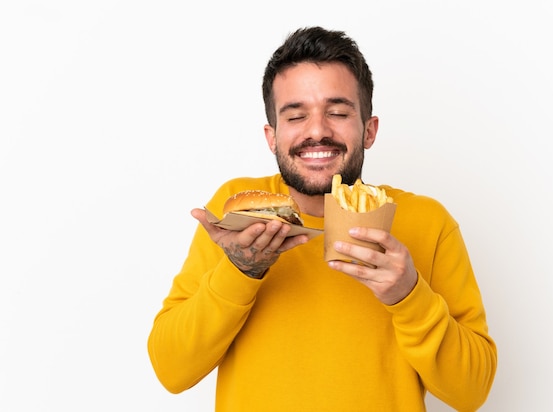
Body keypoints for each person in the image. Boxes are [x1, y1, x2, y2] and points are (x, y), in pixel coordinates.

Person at [148, 26, 497, 411]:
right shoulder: (237, 219)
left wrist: (408, 295)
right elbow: (171, 370)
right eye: (296, 116)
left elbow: (472, 392)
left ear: (369, 129)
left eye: (337, 112)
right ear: (272, 136)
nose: (317, 131)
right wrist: (240, 271)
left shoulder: (427, 222)